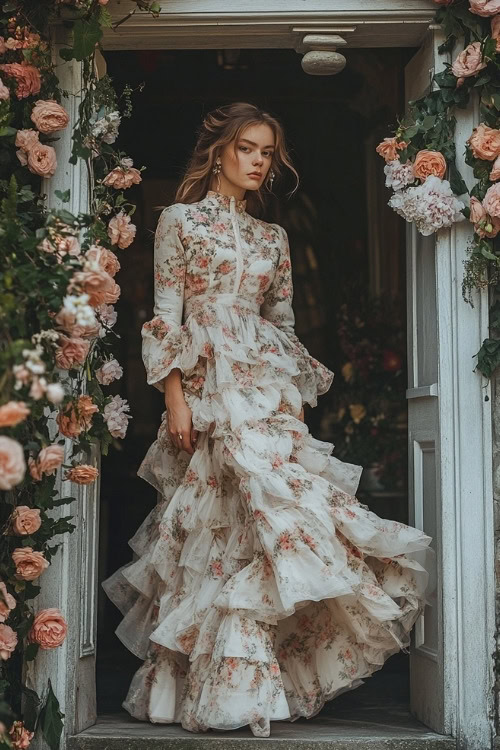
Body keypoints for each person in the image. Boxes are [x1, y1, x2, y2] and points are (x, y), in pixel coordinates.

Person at [102, 101, 432, 738]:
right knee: (212, 526)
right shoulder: (178, 221)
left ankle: (246, 685)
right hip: (207, 390)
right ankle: (198, 685)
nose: (258, 162)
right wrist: (175, 397)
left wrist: (295, 401)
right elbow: (164, 315)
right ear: (219, 152)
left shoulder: (271, 238)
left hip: (265, 395)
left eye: (267, 153)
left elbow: (281, 323)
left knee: (269, 520)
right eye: (248, 149)